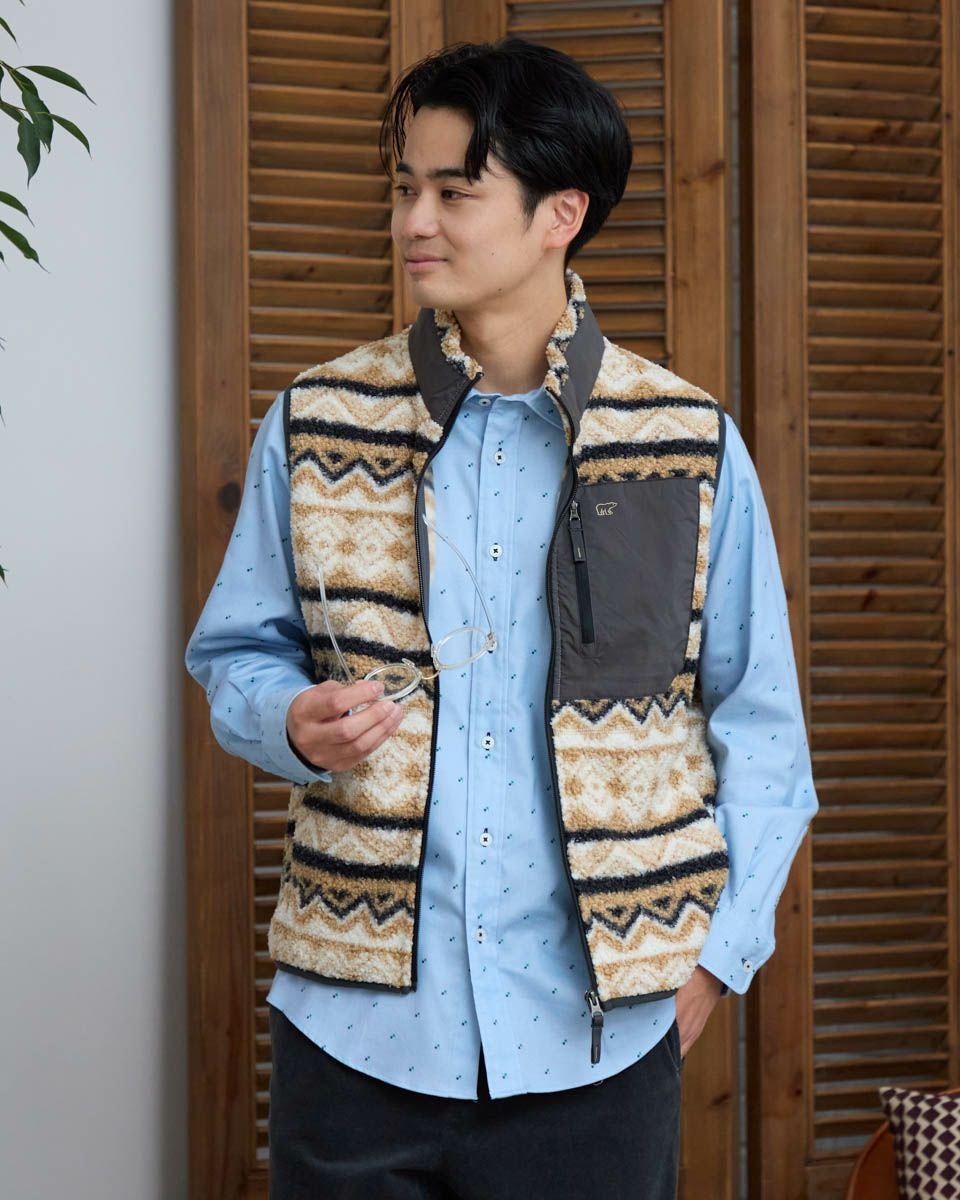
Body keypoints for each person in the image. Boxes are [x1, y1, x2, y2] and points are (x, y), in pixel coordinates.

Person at [185, 37, 819, 1200]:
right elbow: (236, 655)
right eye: (403, 188)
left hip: (600, 1039)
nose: (412, 222)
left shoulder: (686, 444)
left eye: (453, 192)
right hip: (354, 1036)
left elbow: (761, 729)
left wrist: (715, 963)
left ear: (558, 215)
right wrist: (288, 719)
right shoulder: (317, 423)